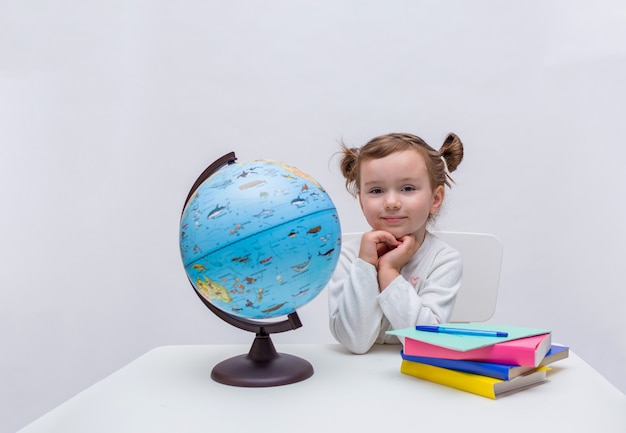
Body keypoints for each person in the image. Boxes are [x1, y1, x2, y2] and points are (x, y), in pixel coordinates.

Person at [328, 132, 465, 354]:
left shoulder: (444, 259)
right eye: (376, 191)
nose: (391, 202)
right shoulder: (348, 255)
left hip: (417, 376)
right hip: (355, 377)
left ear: (436, 199)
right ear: (362, 202)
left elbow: (425, 342)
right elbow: (355, 342)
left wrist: (389, 270)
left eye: (408, 188)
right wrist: (366, 265)